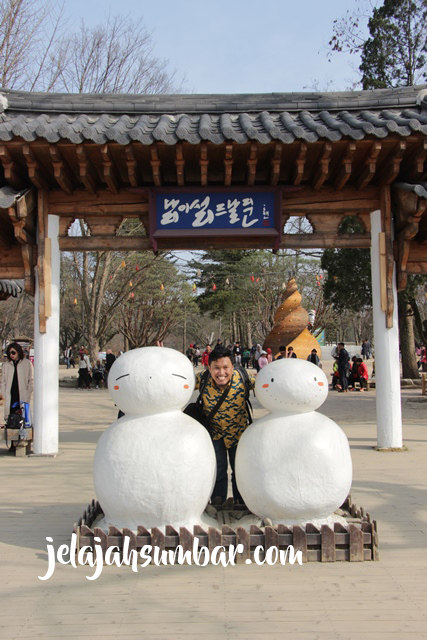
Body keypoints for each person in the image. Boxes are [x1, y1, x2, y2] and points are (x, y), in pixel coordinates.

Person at [195, 345, 255, 505]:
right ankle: (218, 500)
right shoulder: (203, 379)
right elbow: (176, 385)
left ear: (232, 366)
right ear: (209, 367)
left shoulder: (243, 379)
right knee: (217, 468)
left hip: (239, 435)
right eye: (216, 368)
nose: (221, 373)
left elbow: (268, 386)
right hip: (215, 435)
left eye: (225, 367)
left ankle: (241, 501)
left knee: (240, 469)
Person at [1, 343, 34, 451]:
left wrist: (28, 391)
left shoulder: (27, 364)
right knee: (11, 419)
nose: (11, 355)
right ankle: (12, 443)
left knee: (23, 419)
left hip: (22, 395)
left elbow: (31, 379)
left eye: (13, 352)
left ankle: (22, 441)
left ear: (19, 352)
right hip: (10, 395)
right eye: (9, 353)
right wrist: (3, 393)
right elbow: (3, 381)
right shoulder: (6, 365)